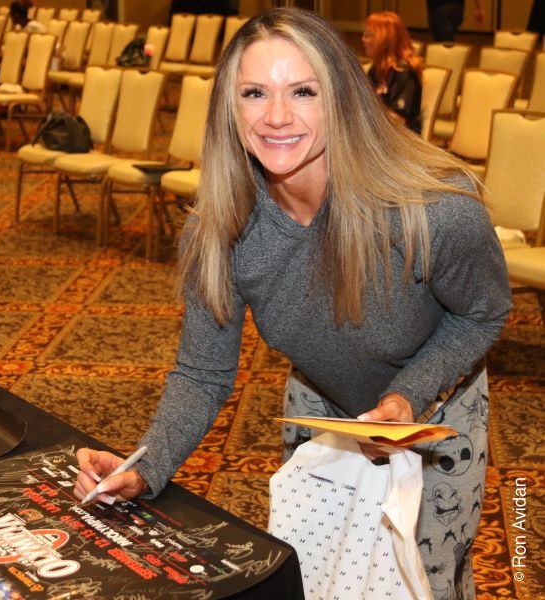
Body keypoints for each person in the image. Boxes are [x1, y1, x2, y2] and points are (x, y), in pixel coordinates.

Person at [74, 8, 511, 600]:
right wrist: (145, 468)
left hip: (436, 412)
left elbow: (482, 312)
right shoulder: (221, 228)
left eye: (303, 91)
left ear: (342, 99)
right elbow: (202, 372)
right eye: (254, 93)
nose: (276, 116)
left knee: (423, 584)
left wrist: (406, 396)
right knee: (319, 574)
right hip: (322, 408)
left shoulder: (433, 208)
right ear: (229, 107)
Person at [362, 11, 422, 134]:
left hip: (402, 139)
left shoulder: (405, 72)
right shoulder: (375, 70)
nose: (363, 39)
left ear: (385, 39)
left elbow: (398, 120)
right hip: (377, 135)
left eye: (368, 35)